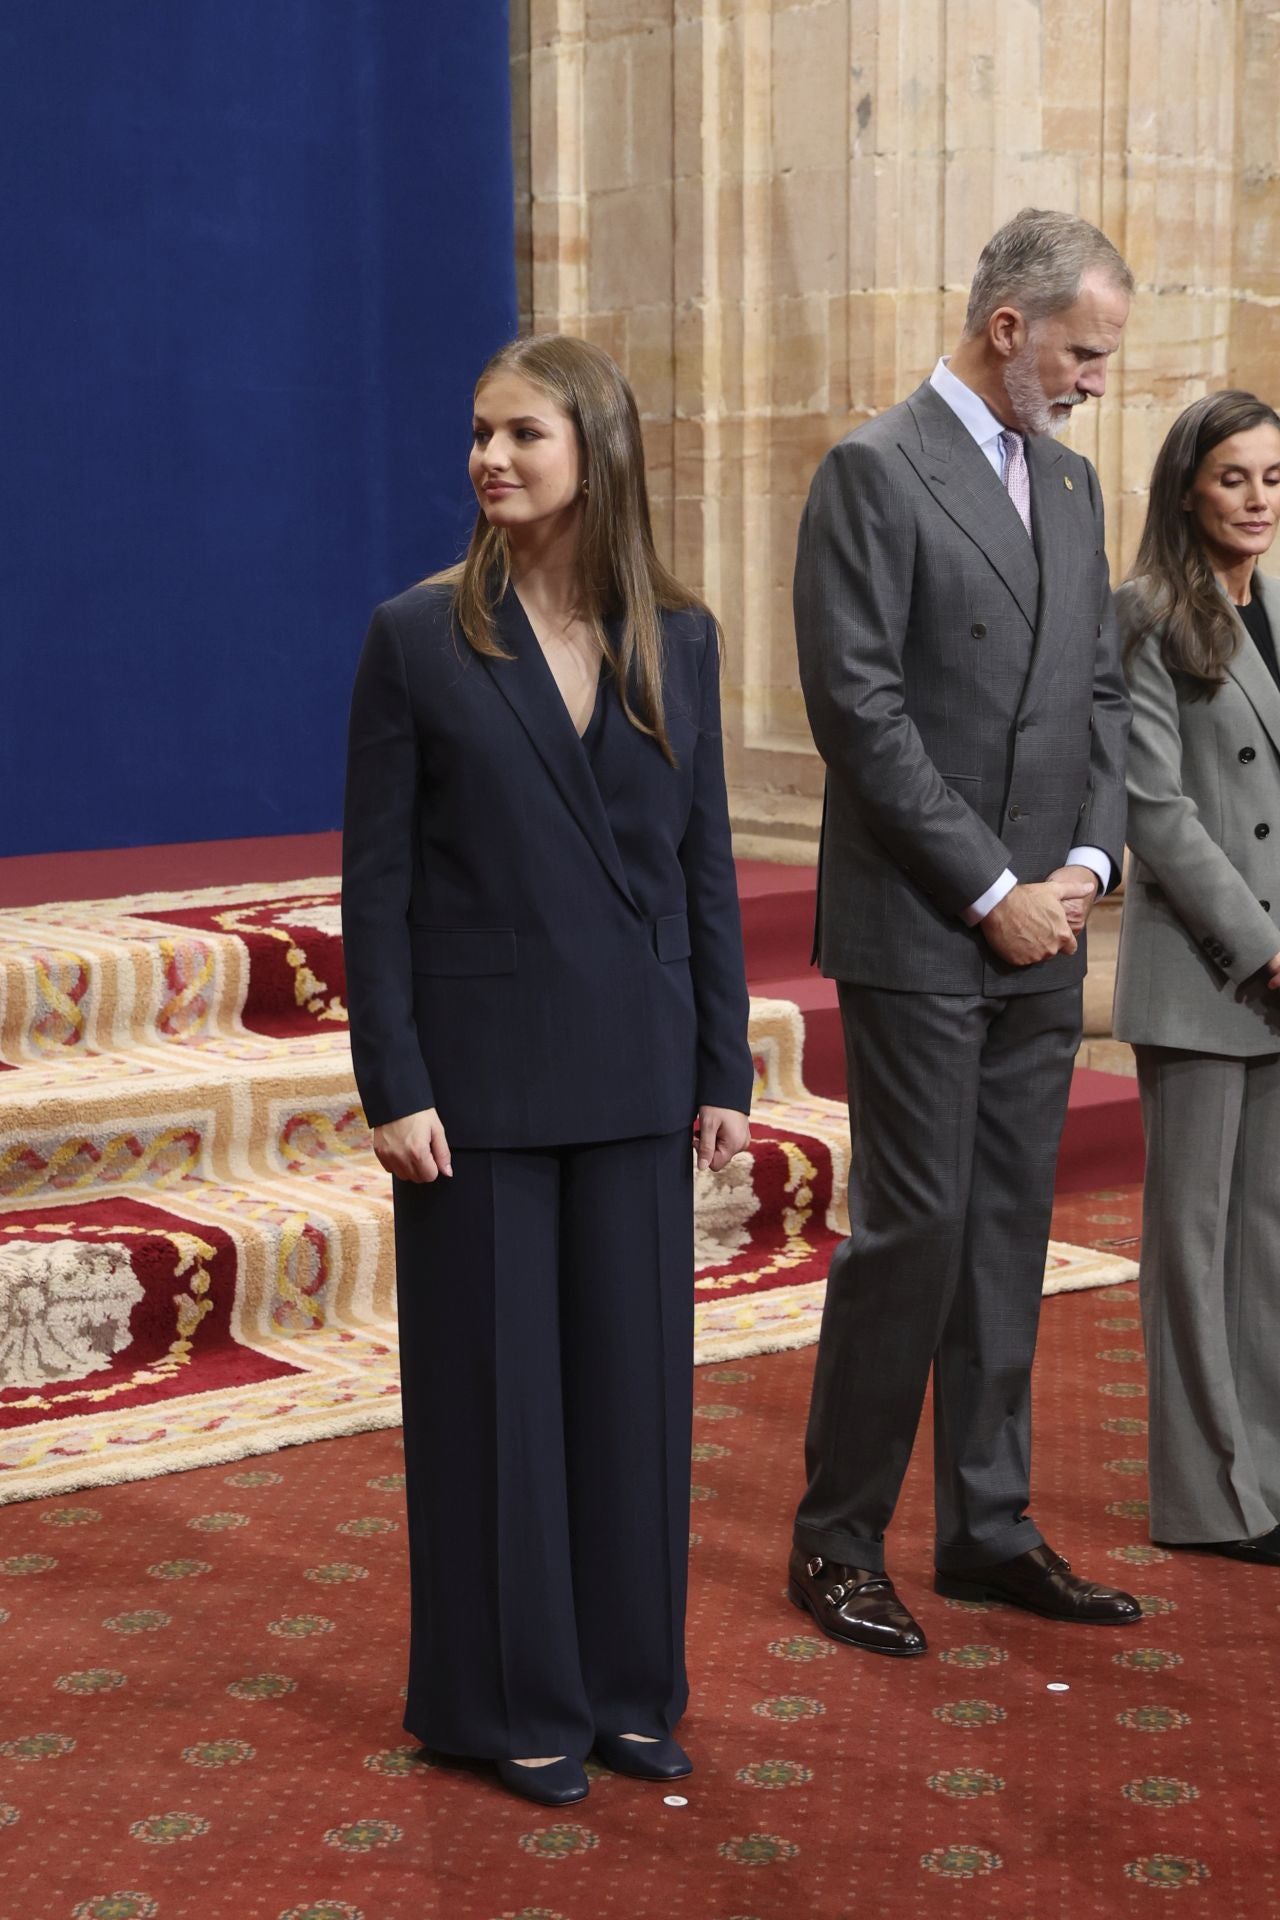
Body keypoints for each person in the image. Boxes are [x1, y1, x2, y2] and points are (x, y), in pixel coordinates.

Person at [341, 334, 754, 1804]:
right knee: (494, 1409)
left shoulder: (683, 640)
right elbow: (373, 889)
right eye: (479, 435)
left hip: (640, 1070)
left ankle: (630, 1694)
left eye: (522, 435)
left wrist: (726, 1065)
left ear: (598, 451)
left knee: (632, 1407)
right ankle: (504, 1702)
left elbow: (704, 869)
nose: (490, 460)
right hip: (480, 1087)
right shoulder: (415, 637)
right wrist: (392, 1081)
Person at [788, 208, 1142, 1656]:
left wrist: (1081, 862)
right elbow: (858, 713)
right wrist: (990, 892)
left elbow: (1102, 699)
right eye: (1082, 351)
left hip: (1044, 923)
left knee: (1008, 1233)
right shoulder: (873, 471)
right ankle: (837, 1539)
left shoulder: (1070, 482)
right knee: (916, 1231)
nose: (1095, 380)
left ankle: (988, 1527)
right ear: (1009, 329)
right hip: (926, 926)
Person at [1112, 390, 1280, 1566]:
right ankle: (1206, 1502)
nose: (1257, 500)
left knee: (1263, 1246)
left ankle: (1262, 1480)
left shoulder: (1273, 604)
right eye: (1233, 478)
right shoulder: (1143, 617)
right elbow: (1157, 815)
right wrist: (1262, 946)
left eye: (1272, 477)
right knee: (1190, 1242)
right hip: (1207, 974)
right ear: (1185, 487)